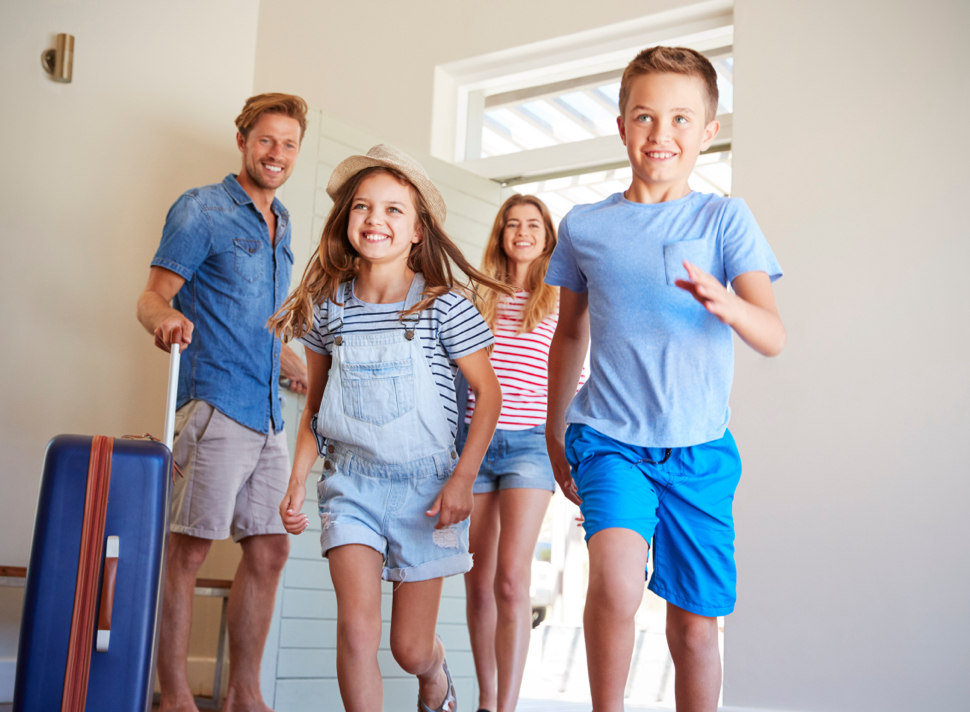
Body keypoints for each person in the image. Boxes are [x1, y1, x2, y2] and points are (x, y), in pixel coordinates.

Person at [544, 47, 786, 712]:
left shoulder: (724, 219)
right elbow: (570, 334)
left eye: (682, 119)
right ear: (622, 126)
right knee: (617, 586)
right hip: (609, 438)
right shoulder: (585, 226)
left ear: (708, 132)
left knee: (694, 625)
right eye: (645, 117)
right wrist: (553, 429)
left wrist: (728, 303)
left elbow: (772, 333)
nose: (662, 134)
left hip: (700, 450)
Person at [269, 144, 512, 712]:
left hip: (426, 490)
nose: (375, 220)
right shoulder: (331, 308)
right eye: (362, 207)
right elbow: (318, 404)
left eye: (393, 210)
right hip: (351, 485)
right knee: (356, 633)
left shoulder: (444, 307)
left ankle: (435, 675)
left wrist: (462, 480)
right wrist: (297, 478)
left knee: (407, 648)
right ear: (345, 220)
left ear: (419, 230)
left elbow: (490, 395)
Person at [136, 93, 309, 712]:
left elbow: (257, 317)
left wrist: (289, 362)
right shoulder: (202, 209)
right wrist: (166, 323)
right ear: (243, 140)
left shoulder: (282, 222)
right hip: (213, 406)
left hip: (267, 414)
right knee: (188, 550)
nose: (277, 154)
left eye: (289, 144)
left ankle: (243, 693)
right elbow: (153, 296)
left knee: (271, 547)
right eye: (267, 140)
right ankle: (175, 693)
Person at [457, 194, 580, 712]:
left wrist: (570, 447)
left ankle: (506, 706)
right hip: (475, 444)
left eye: (533, 224)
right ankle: (487, 701)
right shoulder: (476, 298)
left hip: (531, 443)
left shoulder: (561, 298)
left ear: (547, 236)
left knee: (511, 577)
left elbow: (576, 377)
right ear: (500, 235)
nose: (522, 232)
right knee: (478, 581)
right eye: (513, 224)